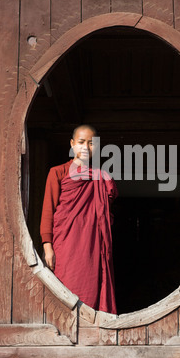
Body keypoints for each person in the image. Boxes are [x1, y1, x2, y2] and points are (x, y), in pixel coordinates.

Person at [40, 124, 118, 314]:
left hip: (90, 245)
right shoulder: (57, 172)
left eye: (91, 143)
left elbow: (103, 210)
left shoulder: (101, 176)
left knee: (89, 289)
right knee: (63, 287)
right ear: (72, 144)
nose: (85, 147)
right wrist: (47, 246)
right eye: (81, 142)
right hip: (64, 243)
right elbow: (48, 210)